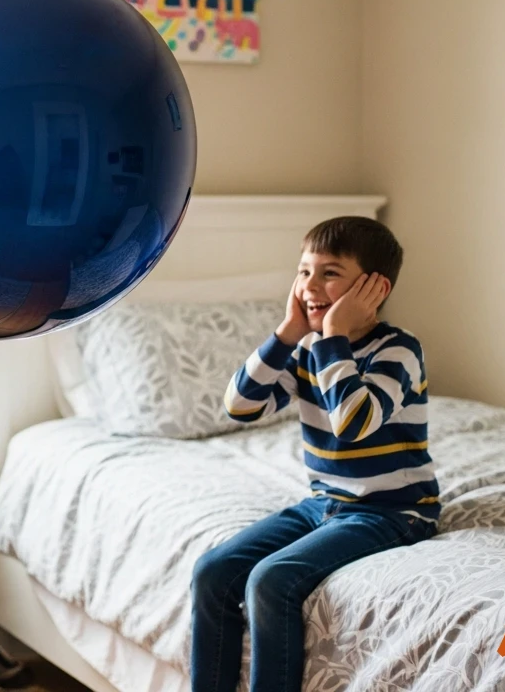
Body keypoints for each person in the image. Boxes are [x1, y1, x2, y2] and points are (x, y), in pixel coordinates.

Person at [191, 216, 439, 692]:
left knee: (270, 581)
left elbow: (354, 423)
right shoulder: (306, 350)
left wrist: (332, 340)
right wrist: (287, 333)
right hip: (325, 503)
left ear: (374, 287)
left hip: (393, 511)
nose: (310, 285)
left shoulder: (399, 350)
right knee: (213, 572)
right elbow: (240, 407)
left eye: (329, 273)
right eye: (304, 271)